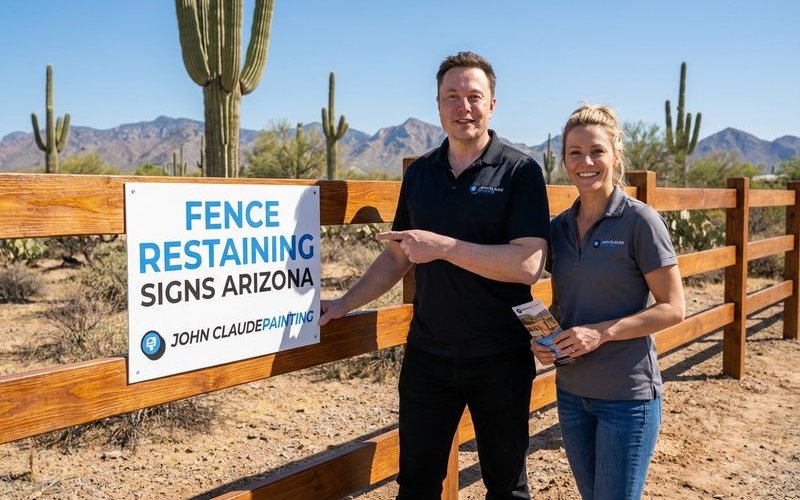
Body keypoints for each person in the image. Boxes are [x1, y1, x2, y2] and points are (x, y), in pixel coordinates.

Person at [319, 51, 550, 499]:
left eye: (474, 96)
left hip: (499, 356)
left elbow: (528, 264)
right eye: (453, 96)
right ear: (438, 105)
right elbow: (397, 257)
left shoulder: (520, 171)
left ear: (492, 104)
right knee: (417, 484)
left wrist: (443, 248)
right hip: (429, 356)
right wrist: (344, 304)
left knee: (506, 485)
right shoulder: (421, 173)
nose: (463, 106)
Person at [532, 104, 685, 500]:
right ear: (564, 161)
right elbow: (568, 305)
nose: (586, 162)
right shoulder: (558, 229)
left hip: (627, 398)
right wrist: (544, 335)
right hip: (570, 393)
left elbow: (673, 306)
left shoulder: (640, 222)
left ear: (615, 155)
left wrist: (602, 333)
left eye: (597, 151)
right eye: (575, 153)